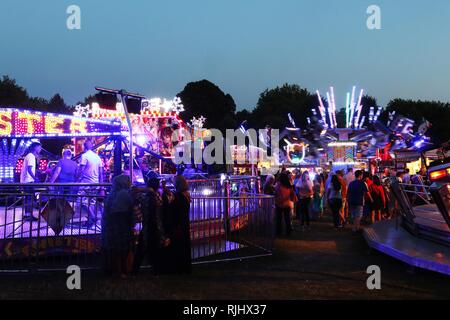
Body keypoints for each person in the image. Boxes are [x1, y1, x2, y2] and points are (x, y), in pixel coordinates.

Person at [132, 172, 170, 275]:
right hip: (157, 226)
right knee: (155, 249)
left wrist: (144, 189)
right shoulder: (159, 197)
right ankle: (156, 270)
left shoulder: (146, 198)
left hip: (148, 226)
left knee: (141, 249)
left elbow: (134, 193)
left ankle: (135, 270)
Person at [101, 175, 134, 278]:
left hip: (110, 224)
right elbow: (126, 207)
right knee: (122, 248)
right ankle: (122, 270)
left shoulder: (113, 194)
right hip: (120, 224)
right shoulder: (124, 194)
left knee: (113, 248)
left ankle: (112, 269)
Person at [165, 175, 192, 274]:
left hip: (178, 225)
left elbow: (173, 209)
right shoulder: (186, 195)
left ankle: (179, 268)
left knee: (179, 246)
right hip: (184, 223)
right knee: (184, 246)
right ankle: (185, 267)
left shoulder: (179, 197)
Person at [78, 140, 104, 228]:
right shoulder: (97, 157)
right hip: (95, 183)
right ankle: (90, 222)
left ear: (84, 147)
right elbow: (101, 173)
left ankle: (93, 218)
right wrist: (101, 186)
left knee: (81, 201)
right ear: (92, 146)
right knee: (91, 203)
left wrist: (76, 180)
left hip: (86, 183)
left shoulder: (84, 156)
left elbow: (80, 170)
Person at [20, 142, 42, 221]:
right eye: (39, 147)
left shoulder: (29, 155)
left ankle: (27, 215)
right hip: (28, 181)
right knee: (30, 198)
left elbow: (31, 169)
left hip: (26, 181)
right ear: (35, 147)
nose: (40, 149)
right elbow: (29, 169)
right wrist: (35, 178)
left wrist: (38, 172)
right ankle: (28, 216)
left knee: (28, 198)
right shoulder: (31, 156)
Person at [347, 170, 373, 234]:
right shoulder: (363, 183)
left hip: (352, 201)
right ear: (360, 176)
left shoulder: (351, 183)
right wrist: (371, 199)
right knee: (358, 216)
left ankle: (354, 228)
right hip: (359, 201)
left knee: (354, 215)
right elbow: (367, 192)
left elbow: (348, 192)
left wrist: (348, 200)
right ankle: (357, 228)